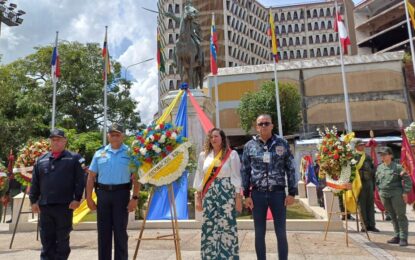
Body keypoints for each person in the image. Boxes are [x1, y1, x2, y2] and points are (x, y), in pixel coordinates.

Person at [241, 114, 298, 260]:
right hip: (257, 195)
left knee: (281, 232)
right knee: (259, 233)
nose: (264, 126)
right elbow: (245, 171)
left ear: (272, 125)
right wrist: (246, 195)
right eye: (261, 124)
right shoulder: (249, 146)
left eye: (267, 123)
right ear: (257, 127)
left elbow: (290, 168)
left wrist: (292, 192)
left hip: (277, 194)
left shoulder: (282, 143)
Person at [86, 123, 140, 260]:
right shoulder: (99, 153)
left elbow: (136, 178)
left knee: (120, 232)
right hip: (103, 195)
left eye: (118, 134)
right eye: (112, 134)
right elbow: (91, 177)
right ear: (108, 136)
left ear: (123, 136)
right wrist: (89, 198)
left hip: (121, 195)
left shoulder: (130, 153)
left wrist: (135, 198)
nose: (115, 137)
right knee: (103, 233)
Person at [29, 129, 85, 259]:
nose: (55, 142)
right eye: (53, 139)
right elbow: (35, 182)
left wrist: (77, 199)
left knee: (62, 241)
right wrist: (33, 201)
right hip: (45, 206)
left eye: (59, 139)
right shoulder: (41, 160)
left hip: (65, 206)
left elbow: (80, 181)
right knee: (46, 240)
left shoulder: (74, 158)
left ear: (65, 141)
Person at [193, 128, 242, 259]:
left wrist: (238, 198)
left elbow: (236, 177)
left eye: (216, 136)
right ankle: (209, 256)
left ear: (222, 138)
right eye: (211, 137)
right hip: (209, 194)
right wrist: (198, 198)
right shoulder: (203, 155)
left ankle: (228, 256)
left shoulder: (232, 155)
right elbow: (199, 177)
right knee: (209, 224)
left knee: (227, 225)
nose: (213, 139)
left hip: (226, 193)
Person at [376, 147, 412, 247]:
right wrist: (379, 191)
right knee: (392, 215)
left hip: (396, 194)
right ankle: (397, 236)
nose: (383, 156)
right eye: (381, 155)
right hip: (384, 194)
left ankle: (403, 237)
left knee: (400, 215)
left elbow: (408, 181)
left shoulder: (398, 167)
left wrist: (405, 192)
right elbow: (377, 181)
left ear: (391, 155)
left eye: (385, 154)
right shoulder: (379, 167)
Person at [354, 139, 379, 232]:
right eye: (360, 145)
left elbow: (373, 170)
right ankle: (364, 225)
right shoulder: (353, 157)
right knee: (362, 205)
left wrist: (373, 184)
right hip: (360, 183)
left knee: (370, 205)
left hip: (369, 183)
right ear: (356, 147)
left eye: (363, 145)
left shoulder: (367, 157)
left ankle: (372, 225)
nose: (362, 147)